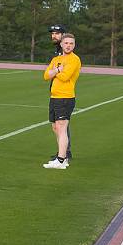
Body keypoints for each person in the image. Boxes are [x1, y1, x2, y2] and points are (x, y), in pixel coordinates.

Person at [42, 33, 81, 170]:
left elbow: (65, 77)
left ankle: (61, 159)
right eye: (66, 43)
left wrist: (55, 71)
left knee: (62, 127)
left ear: (74, 45)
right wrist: (58, 69)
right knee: (55, 128)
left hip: (65, 97)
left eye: (71, 43)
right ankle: (62, 158)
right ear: (61, 44)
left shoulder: (74, 59)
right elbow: (46, 75)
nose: (68, 45)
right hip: (54, 97)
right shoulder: (56, 59)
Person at [48, 24, 72, 163]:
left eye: (57, 33)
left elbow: (62, 73)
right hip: (55, 91)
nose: (54, 36)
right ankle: (62, 152)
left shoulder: (65, 52)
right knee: (57, 125)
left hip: (63, 93)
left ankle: (64, 153)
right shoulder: (57, 51)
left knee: (62, 124)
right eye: (52, 33)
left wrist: (55, 72)